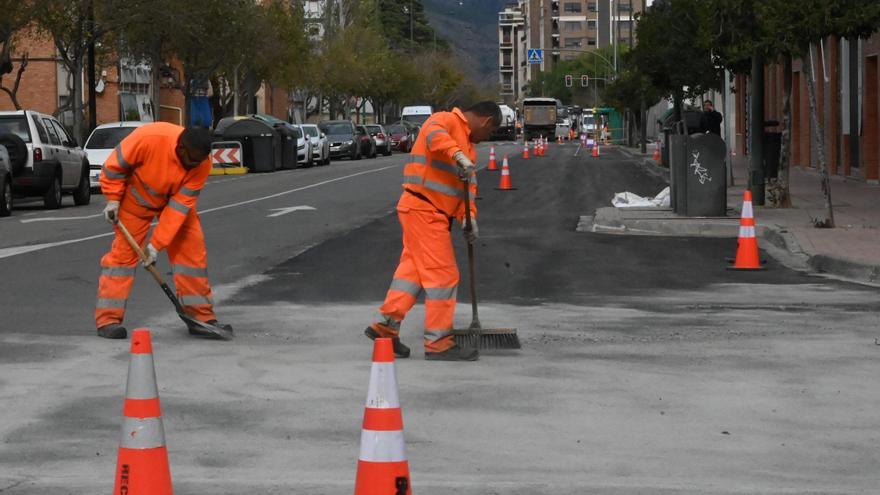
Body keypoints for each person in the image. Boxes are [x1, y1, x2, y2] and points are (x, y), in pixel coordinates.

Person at [365, 101, 501, 361]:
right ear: (486, 122)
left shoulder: (470, 151)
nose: (488, 137)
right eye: (491, 132)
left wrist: (469, 219)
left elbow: (466, 193)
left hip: (426, 213)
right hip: (424, 210)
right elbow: (433, 135)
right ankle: (438, 342)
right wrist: (455, 154)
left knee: (412, 274)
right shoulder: (447, 121)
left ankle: (385, 327)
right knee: (444, 276)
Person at [94, 123, 232, 340]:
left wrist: (155, 246)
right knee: (122, 258)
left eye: (199, 162)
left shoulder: (202, 164)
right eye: (192, 161)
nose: (194, 165)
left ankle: (201, 317)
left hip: (172, 203)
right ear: (181, 148)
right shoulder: (150, 137)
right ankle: (108, 320)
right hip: (135, 202)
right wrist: (112, 199)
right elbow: (113, 167)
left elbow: (178, 209)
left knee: (192, 253)